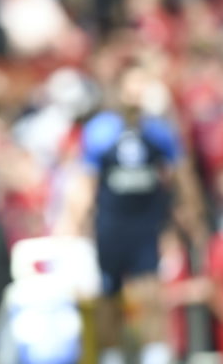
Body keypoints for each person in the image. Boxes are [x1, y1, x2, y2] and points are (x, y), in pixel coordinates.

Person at [56, 61, 207, 364]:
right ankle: (111, 355)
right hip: (111, 224)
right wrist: (70, 225)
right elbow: (86, 182)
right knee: (109, 294)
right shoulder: (102, 130)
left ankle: (155, 354)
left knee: (150, 293)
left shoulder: (158, 130)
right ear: (121, 87)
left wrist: (193, 216)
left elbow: (182, 176)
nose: (138, 91)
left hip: (146, 225)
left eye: (143, 84)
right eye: (133, 83)